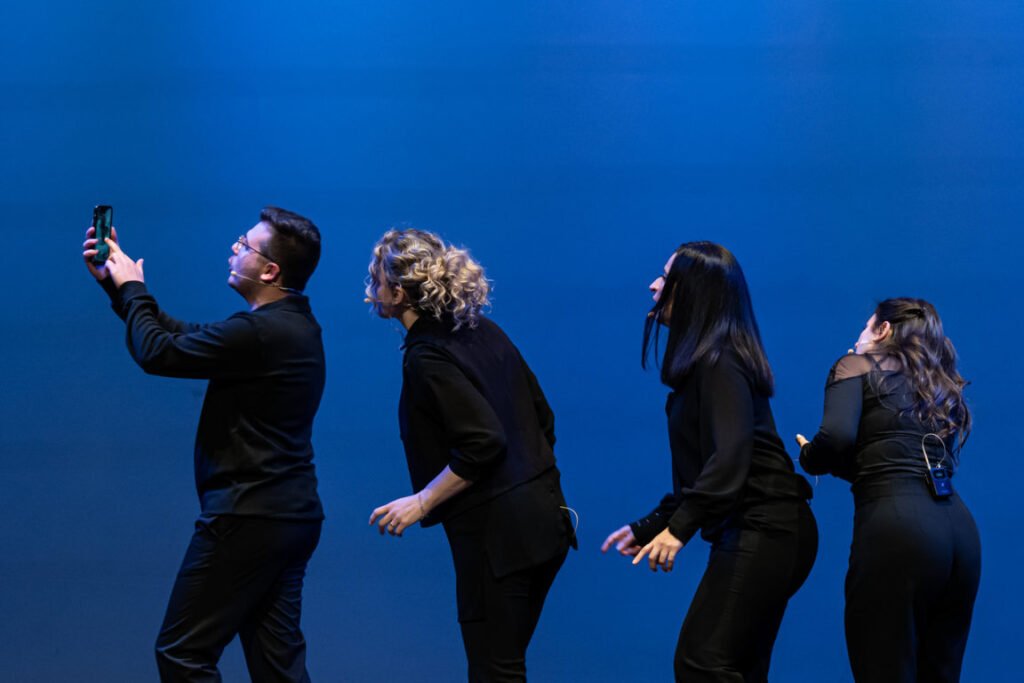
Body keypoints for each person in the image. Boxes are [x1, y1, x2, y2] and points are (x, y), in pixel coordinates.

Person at [82, 206, 326, 682]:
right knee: (278, 668)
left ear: (270, 271)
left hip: (248, 515)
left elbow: (158, 352)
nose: (235, 248)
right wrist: (120, 287)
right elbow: (177, 335)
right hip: (287, 516)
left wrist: (133, 290)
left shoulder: (262, 332)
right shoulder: (288, 326)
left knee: (183, 653)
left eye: (245, 245)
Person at [365, 228, 575, 683]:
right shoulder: (482, 330)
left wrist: (422, 501)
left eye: (376, 280)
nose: (370, 291)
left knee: (494, 671)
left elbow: (483, 441)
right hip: (548, 523)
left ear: (398, 294)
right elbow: (543, 417)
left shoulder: (426, 356)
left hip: (500, 539)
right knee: (503, 664)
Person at [601, 241, 818, 682]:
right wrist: (654, 525)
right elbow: (703, 474)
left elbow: (730, 458)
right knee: (736, 666)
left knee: (703, 662)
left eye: (666, 278)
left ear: (693, 292)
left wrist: (679, 530)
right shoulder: (707, 363)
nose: (653, 286)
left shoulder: (721, 361)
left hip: (766, 526)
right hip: (765, 526)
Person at [796, 298, 981, 683]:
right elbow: (894, 461)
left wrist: (810, 457)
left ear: (883, 330)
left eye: (866, 327)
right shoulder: (937, 385)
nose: (858, 338)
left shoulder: (855, 366)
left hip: (898, 530)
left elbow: (836, 437)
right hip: (959, 534)